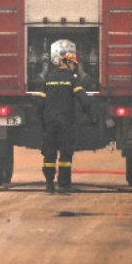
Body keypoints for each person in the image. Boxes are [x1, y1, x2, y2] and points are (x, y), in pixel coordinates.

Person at [37, 52, 96, 193]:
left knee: (49, 154)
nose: (75, 68)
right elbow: (83, 100)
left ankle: (49, 185)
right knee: (65, 154)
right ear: (70, 64)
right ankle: (64, 185)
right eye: (74, 65)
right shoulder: (72, 80)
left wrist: (42, 121)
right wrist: (91, 115)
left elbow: (40, 104)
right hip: (65, 122)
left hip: (50, 122)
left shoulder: (48, 80)